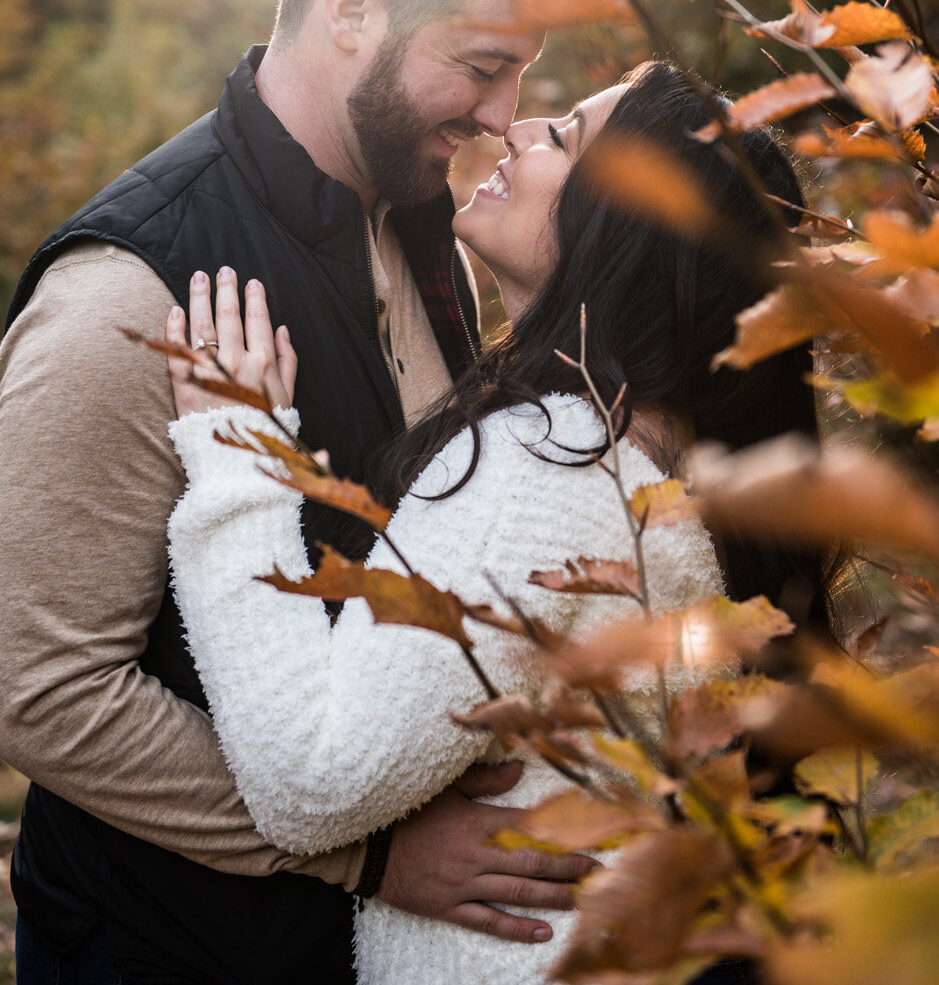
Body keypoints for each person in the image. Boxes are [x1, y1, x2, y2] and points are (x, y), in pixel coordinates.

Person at [0, 0, 596, 985]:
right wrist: (367, 855)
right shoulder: (128, 292)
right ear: (351, 10)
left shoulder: (425, 220)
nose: (500, 112)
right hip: (168, 954)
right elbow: (39, 689)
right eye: (480, 66)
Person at [163, 61, 836, 985]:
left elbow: (314, 782)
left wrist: (237, 455)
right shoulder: (671, 456)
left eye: (564, 138)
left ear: (622, 230)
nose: (519, 128)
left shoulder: (549, 467)